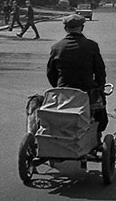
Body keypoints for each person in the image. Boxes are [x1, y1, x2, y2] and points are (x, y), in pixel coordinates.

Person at [46, 14, 108, 143]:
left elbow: (50, 73)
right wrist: (100, 87)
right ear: (82, 28)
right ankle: (95, 137)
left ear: (66, 29)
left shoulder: (56, 47)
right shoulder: (91, 46)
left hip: (63, 92)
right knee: (101, 116)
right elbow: (100, 71)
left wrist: (58, 87)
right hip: (87, 91)